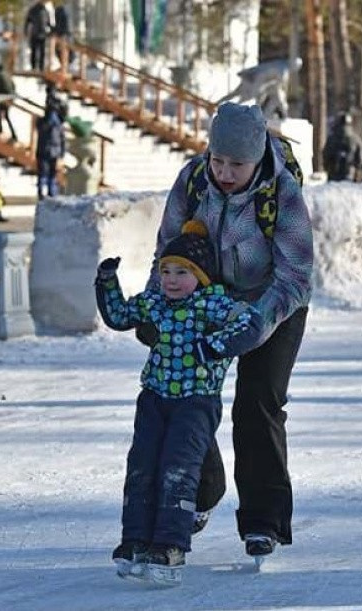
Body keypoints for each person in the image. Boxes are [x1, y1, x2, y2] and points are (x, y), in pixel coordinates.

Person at [147, 102, 313, 562]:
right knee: (183, 394)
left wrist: (255, 324)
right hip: (206, 302)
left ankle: (264, 521)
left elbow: (296, 275)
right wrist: (155, 307)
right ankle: (203, 490)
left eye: (236, 164)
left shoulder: (282, 192)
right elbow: (168, 248)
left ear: (258, 156)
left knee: (258, 402)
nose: (223, 172)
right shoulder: (194, 179)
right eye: (217, 160)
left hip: (275, 303)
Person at [96, 221, 263, 587]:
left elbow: (251, 323)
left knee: (178, 469)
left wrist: (212, 346)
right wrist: (107, 281)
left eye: (182, 272)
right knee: (142, 466)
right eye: (165, 271)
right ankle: (135, 540)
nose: (171, 280)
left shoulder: (214, 304)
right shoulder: (156, 302)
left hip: (195, 402)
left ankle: (170, 545)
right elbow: (120, 316)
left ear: (200, 275)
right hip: (154, 398)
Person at [321, 113, 362, 181]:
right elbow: (360, 158)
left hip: (333, 173)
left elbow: (325, 154)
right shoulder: (355, 139)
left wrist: (327, 168)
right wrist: (357, 169)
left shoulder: (332, 138)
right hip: (350, 173)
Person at [35, 108, 65, 200]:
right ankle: (51, 192)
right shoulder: (58, 124)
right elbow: (62, 139)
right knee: (52, 174)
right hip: (55, 152)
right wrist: (62, 153)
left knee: (43, 173)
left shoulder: (42, 122)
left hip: (43, 150)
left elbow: (39, 132)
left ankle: (41, 192)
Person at [23, 0, 52, 72]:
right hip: (35, 34)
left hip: (43, 34)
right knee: (34, 51)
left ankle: (41, 68)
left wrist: (50, 31)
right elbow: (27, 21)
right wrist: (25, 31)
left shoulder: (45, 10)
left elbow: (48, 23)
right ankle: (33, 67)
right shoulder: (33, 10)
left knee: (42, 52)